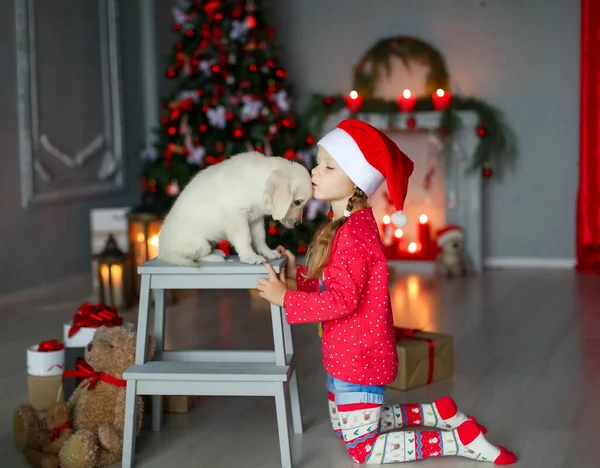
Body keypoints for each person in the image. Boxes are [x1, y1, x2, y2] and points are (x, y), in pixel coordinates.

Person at [257, 119, 517, 465]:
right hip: (343, 354)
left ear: (356, 181)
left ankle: (458, 442)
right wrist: (297, 276)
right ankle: (437, 412)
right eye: (318, 162)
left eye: (329, 167)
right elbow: (336, 282)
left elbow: (342, 300)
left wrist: (285, 298)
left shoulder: (352, 235)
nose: (314, 172)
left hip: (358, 359)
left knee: (362, 449)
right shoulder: (346, 225)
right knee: (344, 428)